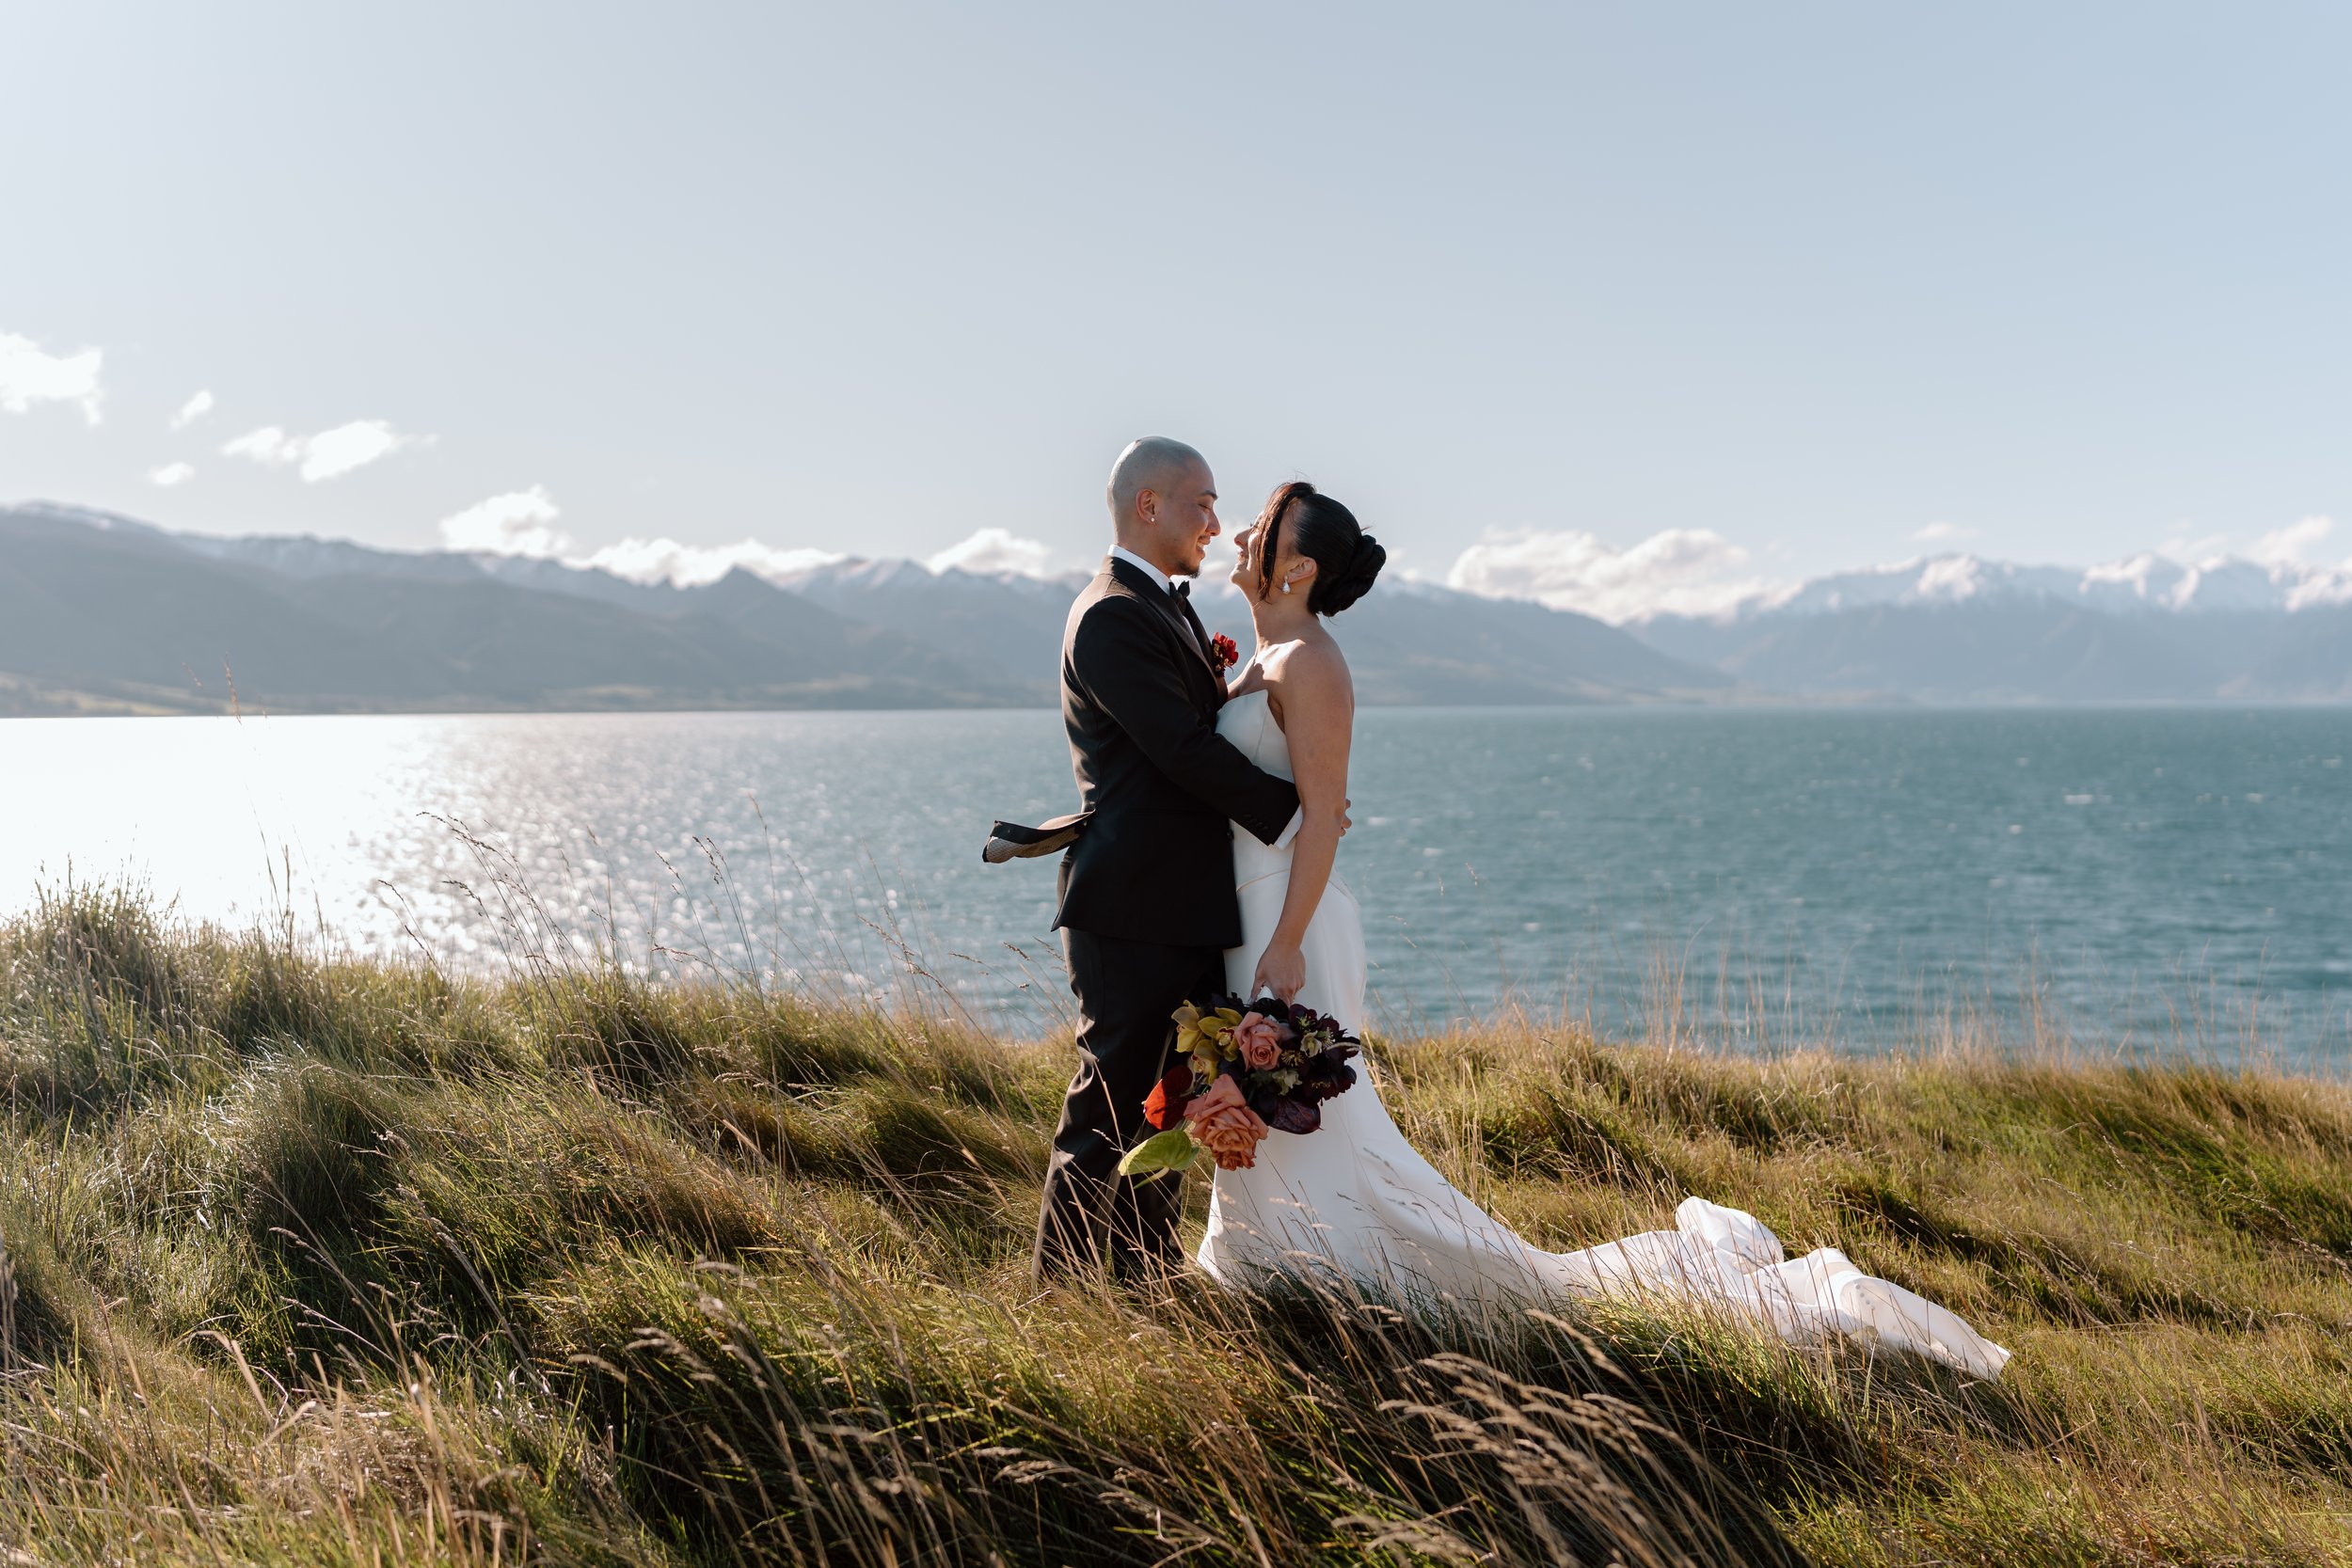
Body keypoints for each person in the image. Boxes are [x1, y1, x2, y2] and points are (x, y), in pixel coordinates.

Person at [1192, 479, 2011, 1381]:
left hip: (1288, 918)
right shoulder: (1268, 656)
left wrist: (1287, 940)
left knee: (1313, 1120)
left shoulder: (1313, 663)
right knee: (1280, 1110)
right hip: (1250, 906)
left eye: (1262, 529)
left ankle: (1332, 1277)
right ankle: (1279, 1268)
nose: (1239, 535)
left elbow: (1324, 812)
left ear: (1297, 567)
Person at [1031, 437, 1304, 1281]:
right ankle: (1064, 1296)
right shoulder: (1112, 612)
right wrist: (1295, 815)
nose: (1217, 524)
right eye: (1202, 504)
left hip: (1185, 903)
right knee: (1106, 1108)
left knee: (1172, 1107)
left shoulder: (1167, 608)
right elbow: (1180, 746)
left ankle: (1142, 1277)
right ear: (1148, 506)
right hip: (1130, 905)